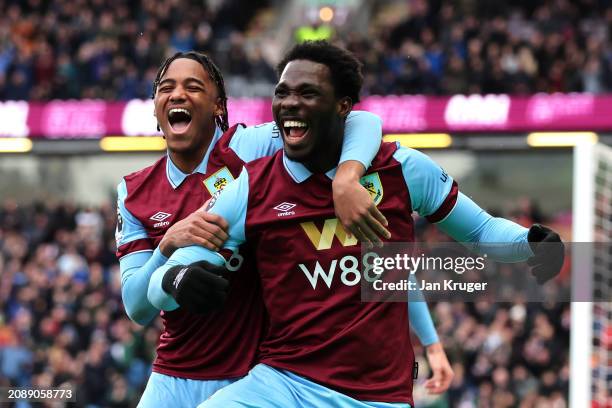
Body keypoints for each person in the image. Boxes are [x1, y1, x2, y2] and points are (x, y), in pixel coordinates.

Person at [149, 41, 563, 407]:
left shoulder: (400, 169)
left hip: (379, 396)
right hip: (283, 386)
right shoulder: (250, 188)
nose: (290, 104)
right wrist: (176, 280)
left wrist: (531, 243)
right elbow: (162, 278)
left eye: (307, 93)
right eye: (283, 94)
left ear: (343, 106)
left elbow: (481, 232)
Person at [116, 50, 450, 407]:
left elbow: (359, 121)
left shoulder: (251, 147)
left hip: (256, 375)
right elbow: (137, 306)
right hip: (174, 374)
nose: (178, 95)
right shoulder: (134, 191)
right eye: (166, 88)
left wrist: (347, 176)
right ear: (154, 106)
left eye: (194, 87)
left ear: (218, 105)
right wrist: (168, 246)